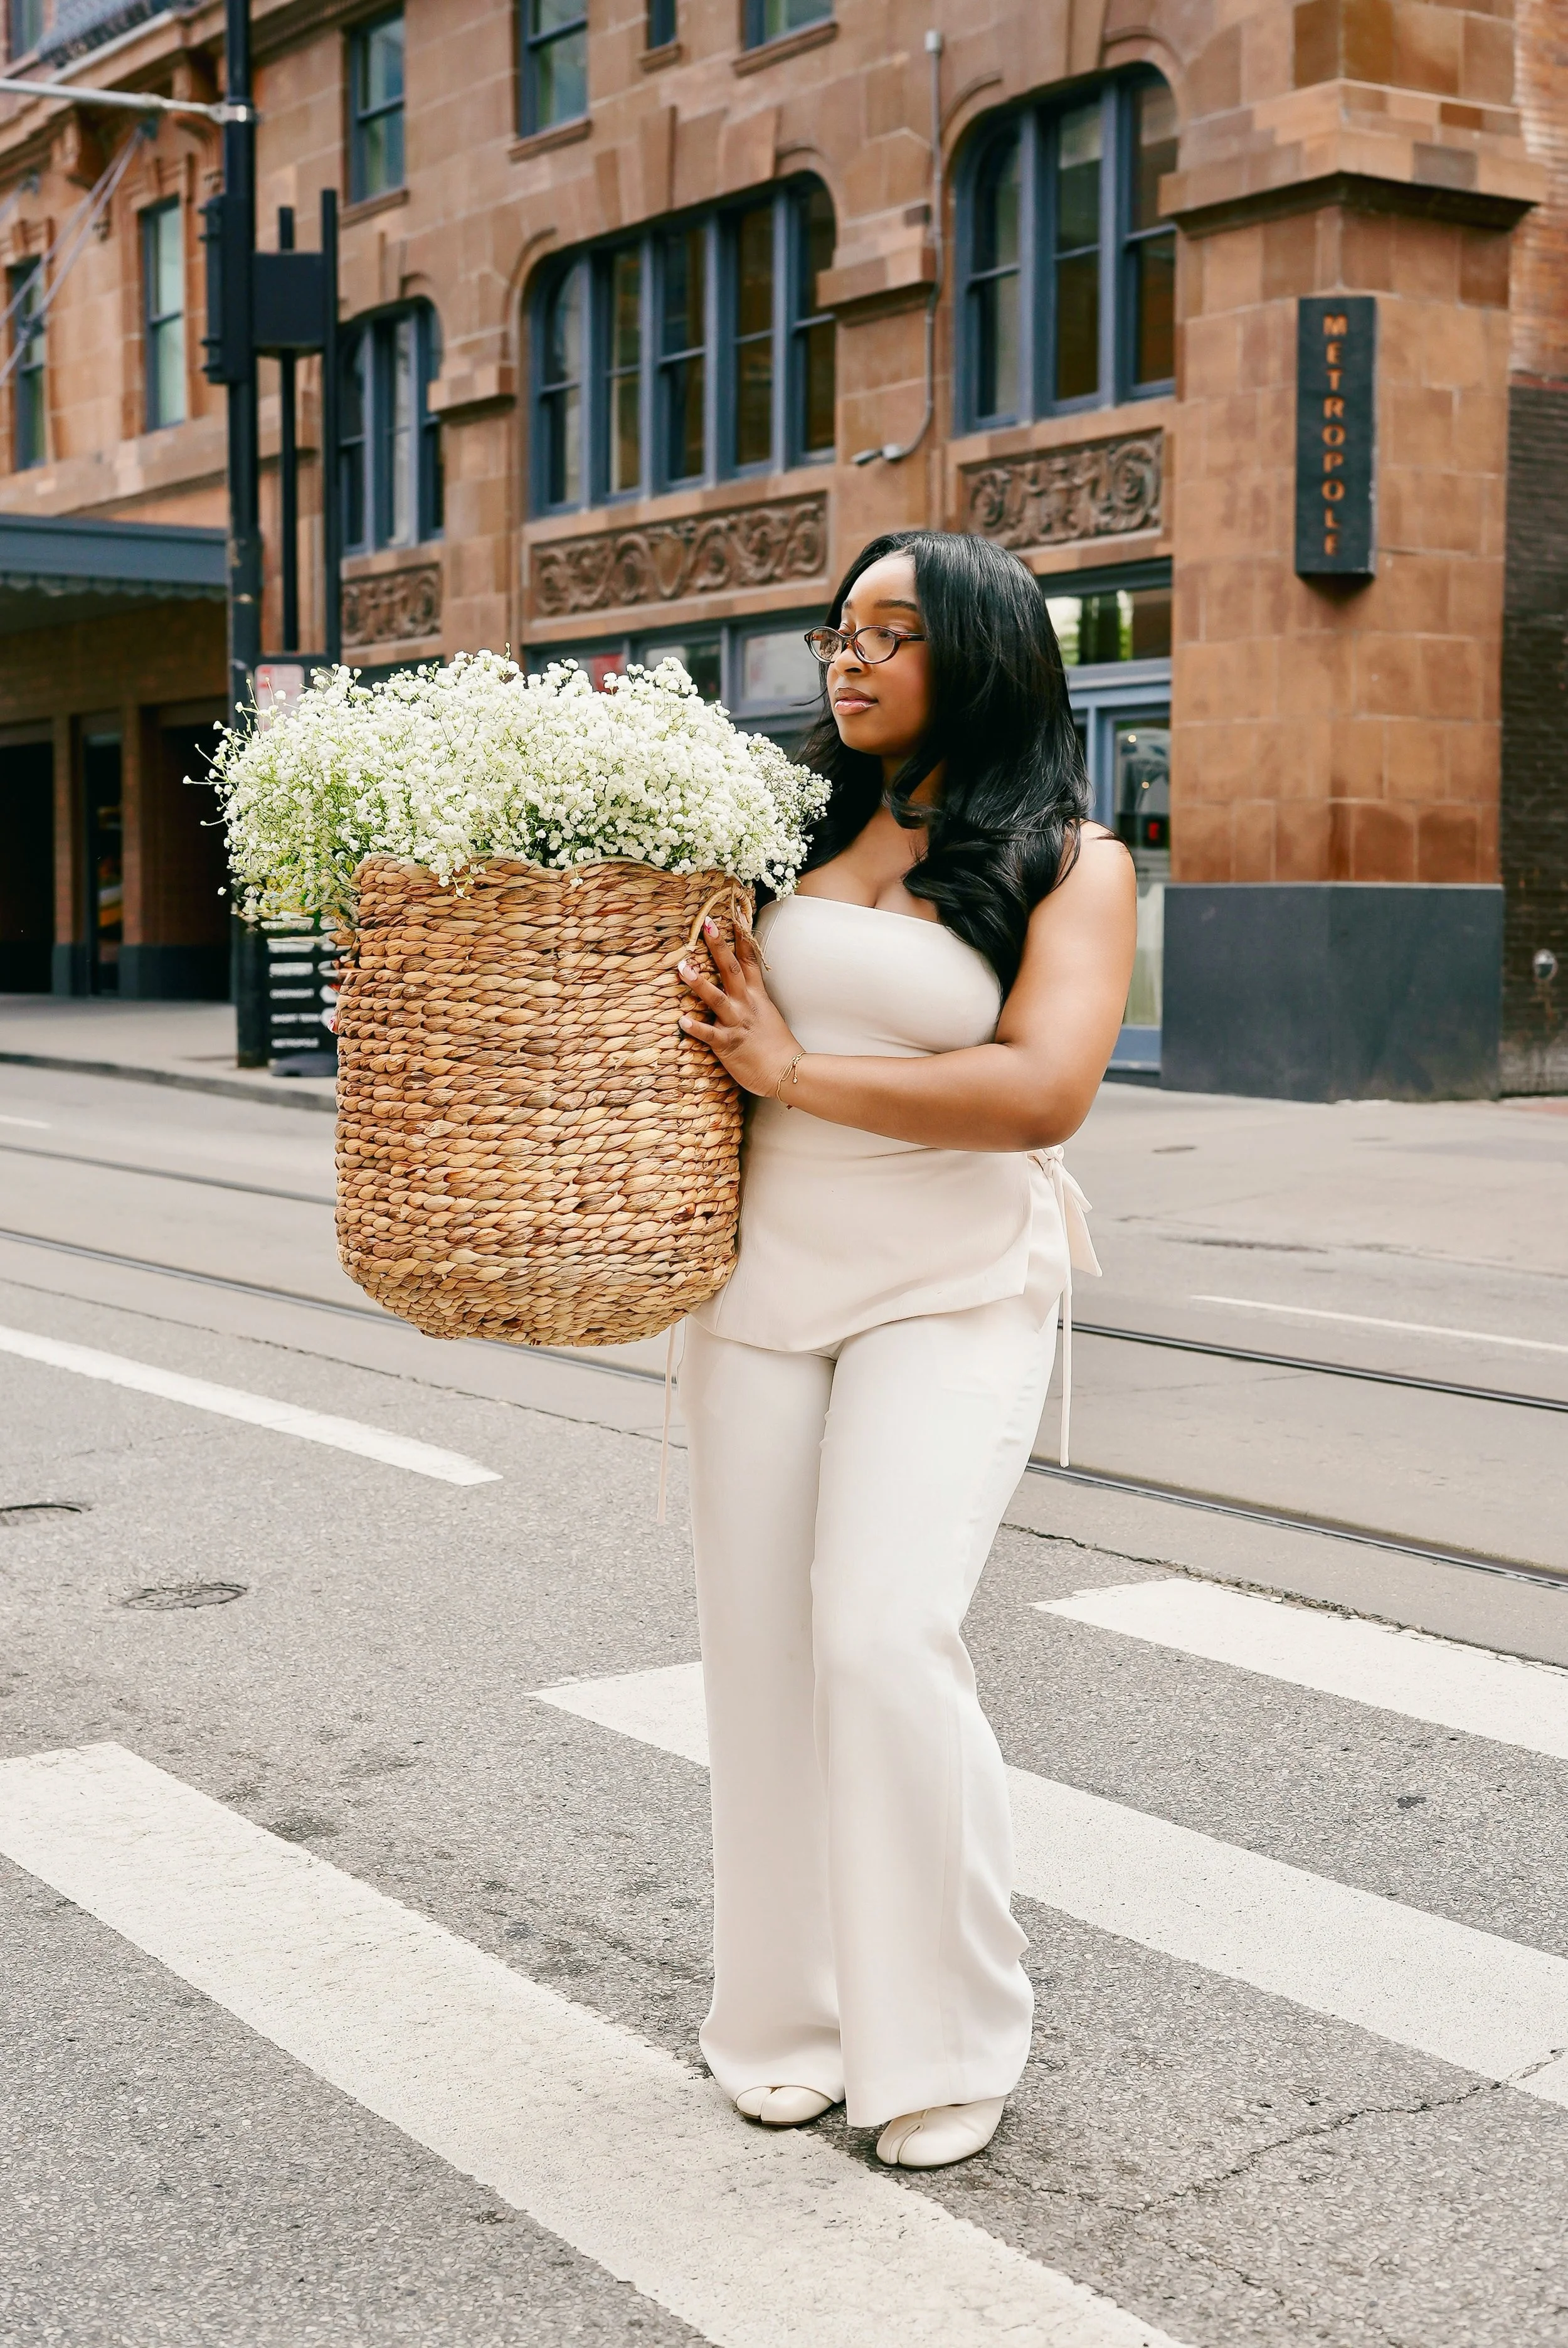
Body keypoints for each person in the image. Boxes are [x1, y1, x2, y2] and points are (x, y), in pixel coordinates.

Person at [674, 528, 1136, 2170]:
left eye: (889, 630)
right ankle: (783, 2017)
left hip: (949, 1275)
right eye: (836, 628)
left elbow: (1041, 1088)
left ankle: (941, 2034)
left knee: (879, 1634)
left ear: (982, 652)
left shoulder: (1073, 858)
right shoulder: (775, 817)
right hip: (756, 1276)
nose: (844, 656)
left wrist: (793, 1071)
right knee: (757, 1650)